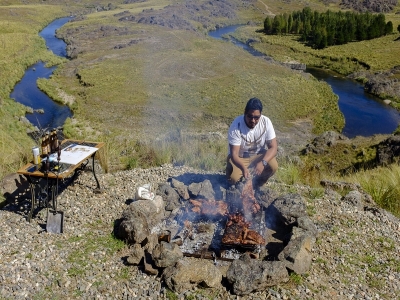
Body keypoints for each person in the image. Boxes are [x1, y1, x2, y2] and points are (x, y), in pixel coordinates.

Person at [226, 97, 278, 187]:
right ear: (245, 113)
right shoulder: (236, 125)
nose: (253, 120)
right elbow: (234, 154)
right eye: (250, 116)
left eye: (256, 117)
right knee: (233, 179)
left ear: (260, 115)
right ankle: (237, 178)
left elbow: (273, 147)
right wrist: (243, 168)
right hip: (240, 157)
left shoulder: (266, 122)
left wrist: (263, 162)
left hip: (258, 155)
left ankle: (257, 184)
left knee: (273, 166)